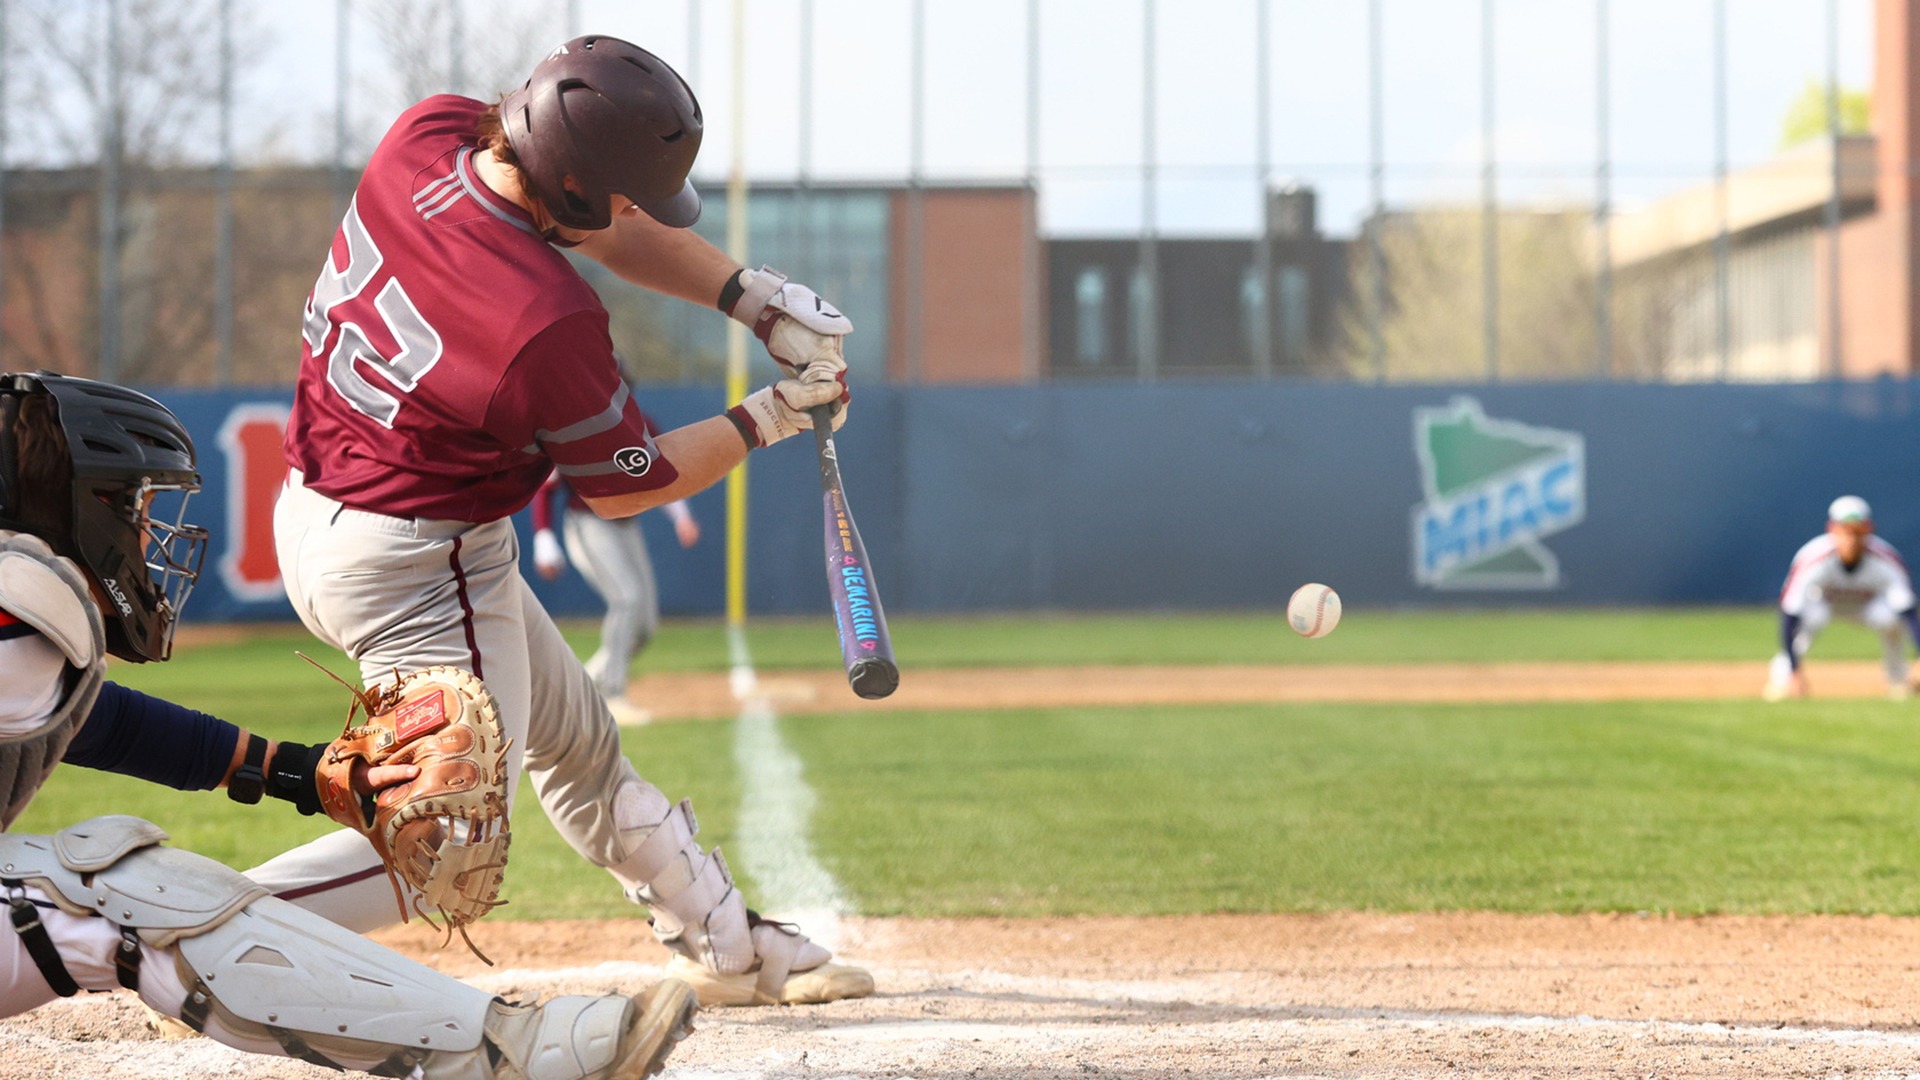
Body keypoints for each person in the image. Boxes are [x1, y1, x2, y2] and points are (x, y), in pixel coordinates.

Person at [263, 34, 871, 1008]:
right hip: (420, 563)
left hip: (326, 507)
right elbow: (629, 485)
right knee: (447, 840)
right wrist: (772, 416)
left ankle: (728, 948)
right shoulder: (543, 320)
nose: (636, 216)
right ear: (578, 188)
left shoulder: (425, 135)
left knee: (583, 746)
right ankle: (181, 931)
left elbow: (596, 217)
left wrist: (750, 299)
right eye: (624, 194)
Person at [0, 370, 697, 1079]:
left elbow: (103, 724)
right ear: (73, 505)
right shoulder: (18, 617)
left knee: (121, 893)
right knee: (125, 897)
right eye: (133, 504)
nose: (148, 531)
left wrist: (296, 770)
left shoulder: (22, 634)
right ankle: (500, 1053)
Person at [532, 428, 701, 727]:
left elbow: (663, 471)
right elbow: (547, 485)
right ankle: (612, 696)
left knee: (644, 626)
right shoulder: (576, 420)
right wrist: (543, 537)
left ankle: (582, 684)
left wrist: (682, 516)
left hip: (627, 525)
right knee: (627, 599)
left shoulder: (639, 420)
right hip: (589, 522)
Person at [1765, 495, 1920, 701]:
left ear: (1868, 531)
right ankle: (1784, 677)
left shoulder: (1886, 559)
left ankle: (1898, 680)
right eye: (1845, 530)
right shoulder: (1813, 557)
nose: (1851, 538)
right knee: (1810, 619)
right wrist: (1796, 671)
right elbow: (1790, 613)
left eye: (1858, 532)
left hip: (1867, 608)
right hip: (1824, 605)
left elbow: (1907, 611)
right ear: (1832, 530)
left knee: (1891, 619)